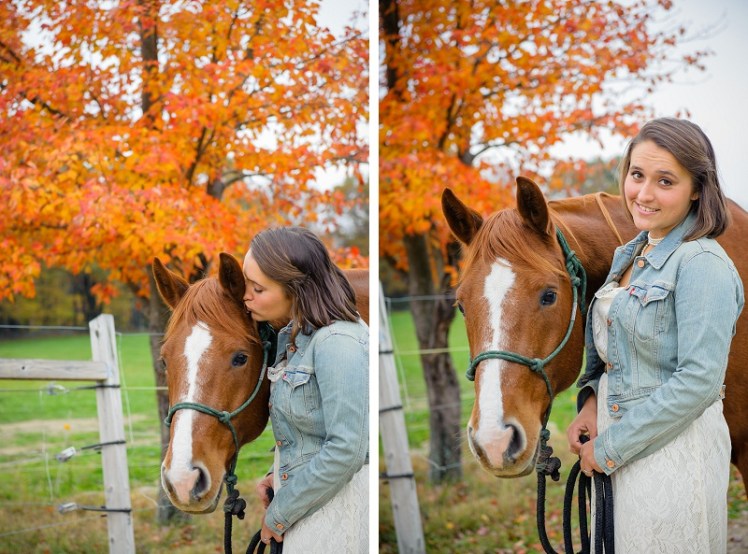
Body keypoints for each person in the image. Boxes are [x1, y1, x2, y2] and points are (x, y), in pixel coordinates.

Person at [566, 118, 744, 552]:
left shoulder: (702, 263)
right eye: (636, 175)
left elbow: (699, 382)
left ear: (698, 189)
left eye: (665, 181)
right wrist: (589, 403)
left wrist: (611, 448)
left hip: (672, 452)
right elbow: (614, 350)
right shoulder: (631, 254)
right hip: (619, 443)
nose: (643, 194)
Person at [242, 226, 369, 553]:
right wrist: (278, 472)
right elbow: (309, 426)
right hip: (308, 506)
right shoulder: (294, 339)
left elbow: (346, 448)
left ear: (295, 289)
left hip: (335, 516)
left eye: (257, 288)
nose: (246, 297)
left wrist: (279, 515)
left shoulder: (338, 342)